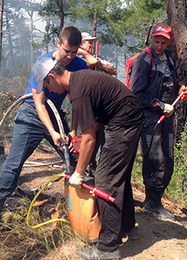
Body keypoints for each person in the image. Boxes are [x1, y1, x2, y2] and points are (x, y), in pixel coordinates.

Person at [32, 57, 144, 260]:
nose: (47, 90)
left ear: (52, 77)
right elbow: (97, 121)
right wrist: (81, 137)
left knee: (105, 181)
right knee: (119, 176)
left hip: (125, 123)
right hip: (130, 118)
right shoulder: (80, 79)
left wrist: (79, 173)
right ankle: (128, 227)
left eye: (46, 84)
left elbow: (91, 139)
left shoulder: (78, 92)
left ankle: (108, 248)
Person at [0, 26, 88, 220]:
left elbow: (77, 102)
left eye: (74, 52)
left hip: (56, 115)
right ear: (58, 44)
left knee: (75, 158)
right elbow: (40, 103)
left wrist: (73, 131)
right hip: (31, 115)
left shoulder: (80, 66)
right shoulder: (42, 64)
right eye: (66, 51)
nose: (69, 56)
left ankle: (78, 207)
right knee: (14, 162)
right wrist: (52, 132)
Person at [128, 24, 187, 220]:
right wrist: (160, 106)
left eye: (163, 42)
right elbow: (137, 93)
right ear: (150, 39)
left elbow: (173, 81)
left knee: (168, 157)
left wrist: (180, 91)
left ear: (169, 42)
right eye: (156, 41)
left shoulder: (169, 57)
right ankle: (152, 203)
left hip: (167, 117)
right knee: (155, 158)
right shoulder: (144, 60)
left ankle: (156, 200)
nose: (159, 46)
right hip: (149, 117)